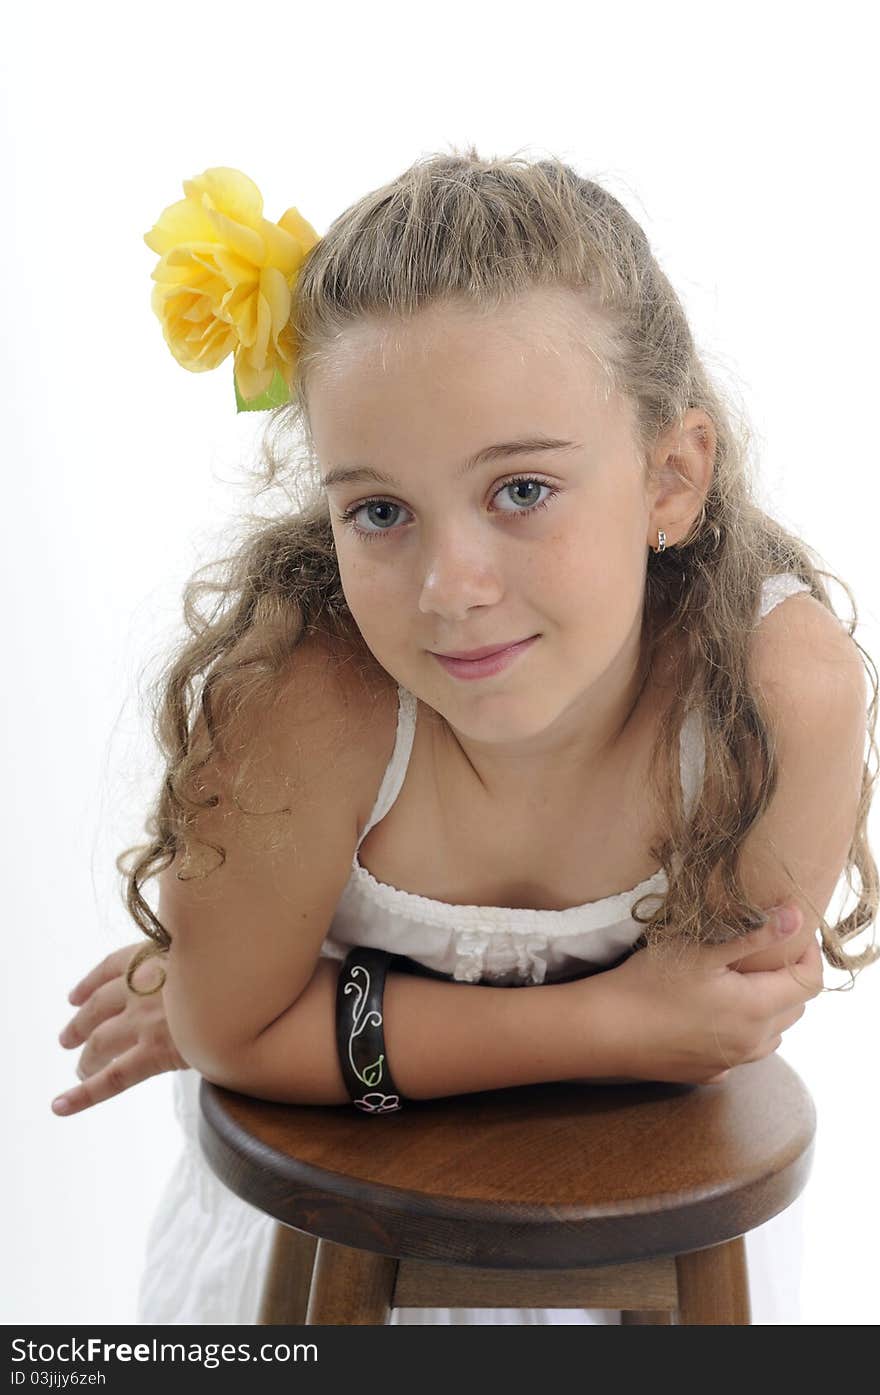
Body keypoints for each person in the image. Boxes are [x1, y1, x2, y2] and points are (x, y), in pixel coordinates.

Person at [53, 148, 877, 1325]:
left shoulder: (778, 692)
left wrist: (316, 1004)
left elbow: (716, 1033)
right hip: (328, 1254)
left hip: (627, 1256)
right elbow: (226, 1031)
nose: (450, 586)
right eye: (379, 511)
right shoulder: (307, 705)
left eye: (521, 491)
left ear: (670, 476)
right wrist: (612, 1015)